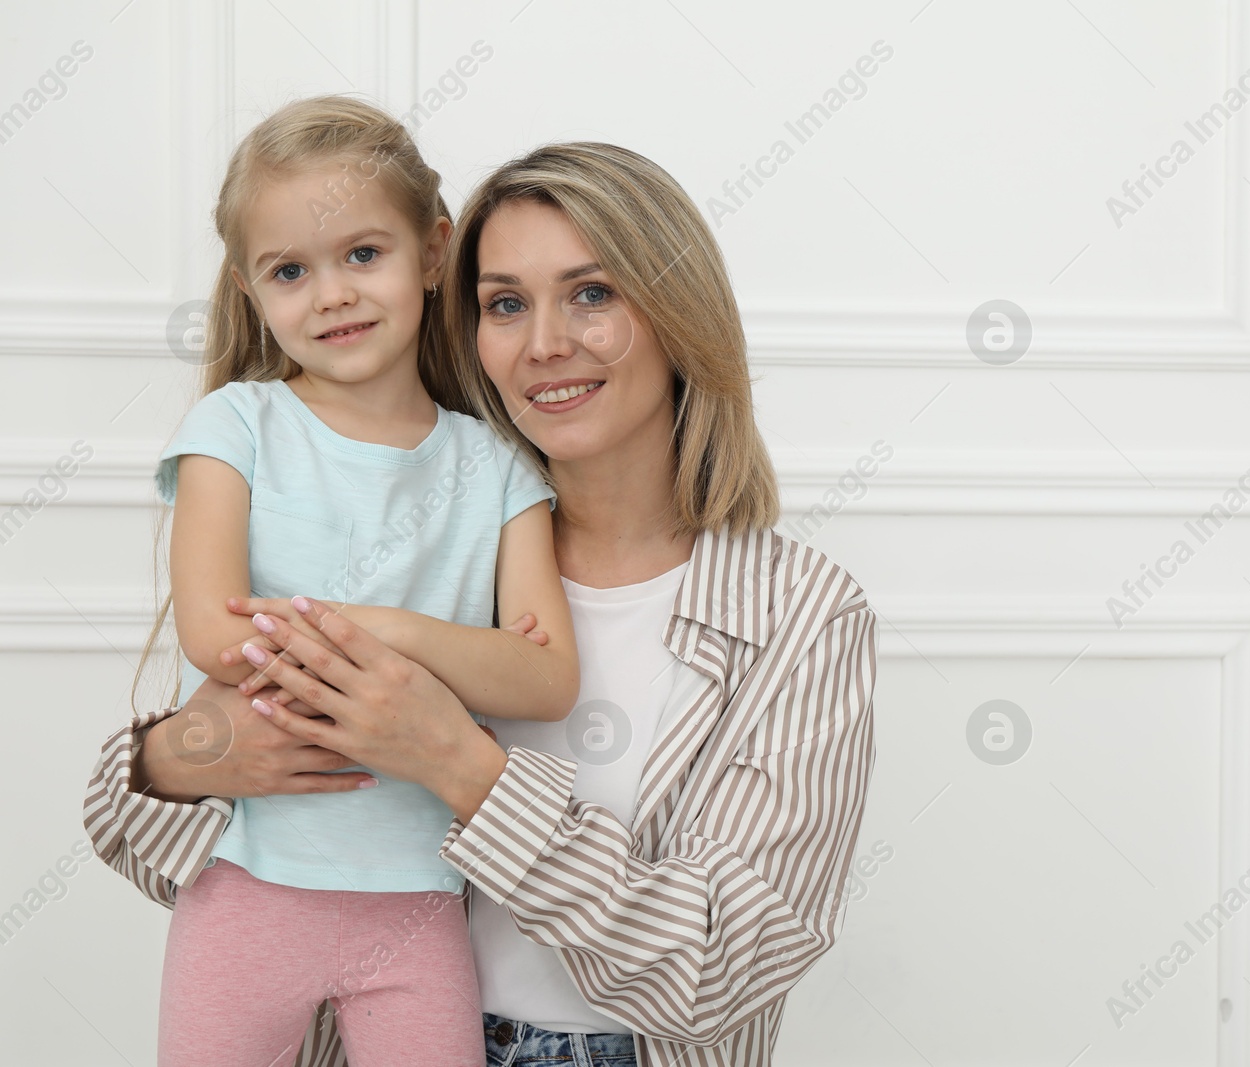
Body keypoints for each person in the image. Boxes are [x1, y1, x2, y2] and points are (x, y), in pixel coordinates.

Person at [85, 136, 878, 1067]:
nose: (545, 343)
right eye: (506, 303)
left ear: (677, 311)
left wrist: (461, 766)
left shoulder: (798, 613)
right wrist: (189, 753)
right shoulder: (418, 519)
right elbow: (132, 837)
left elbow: (722, 967)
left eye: (593, 293)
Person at [135, 95, 580, 1066]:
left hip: (418, 900)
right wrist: (461, 658)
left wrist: (388, 630)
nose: (329, 293)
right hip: (250, 891)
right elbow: (216, 634)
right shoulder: (235, 429)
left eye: (362, 254)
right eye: (290, 270)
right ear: (252, 291)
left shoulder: (499, 466)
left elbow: (545, 677)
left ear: (432, 251)